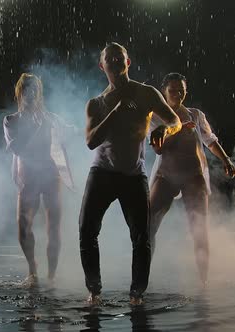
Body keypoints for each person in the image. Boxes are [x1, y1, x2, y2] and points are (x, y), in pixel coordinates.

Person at [79, 43, 182, 305]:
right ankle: (94, 291)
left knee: (141, 236)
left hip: (134, 175)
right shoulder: (96, 104)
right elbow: (91, 141)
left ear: (128, 62)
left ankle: (137, 295)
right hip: (102, 172)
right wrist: (115, 112)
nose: (115, 63)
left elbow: (175, 121)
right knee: (86, 230)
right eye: (109, 60)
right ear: (102, 67)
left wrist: (163, 131)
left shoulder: (146, 93)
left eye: (119, 59)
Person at [149, 72, 235, 286]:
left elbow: (210, 141)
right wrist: (176, 130)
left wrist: (226, 160)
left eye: (181, 90)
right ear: (164, 92)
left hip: (193, 175)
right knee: (148, 225)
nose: (177, 94)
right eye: (172, 90)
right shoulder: (156, 117)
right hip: (166, 175)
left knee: (200, 230)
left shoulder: (195, 115)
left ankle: (203, 283)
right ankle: (143, 280)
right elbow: (158, 149)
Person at [3, 73, 74, 287]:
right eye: (26, 90)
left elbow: (68, 137)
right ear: (19, 94)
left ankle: (52, 276)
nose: (31, 94)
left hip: (51, 176)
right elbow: (17, 148)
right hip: (27, 178)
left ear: (39, 93)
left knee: (54, 226)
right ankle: (33, 272)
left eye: (35, 90)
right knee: (23, 225)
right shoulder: (12, 120)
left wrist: (71, 131)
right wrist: (38, 128)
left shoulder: (51, 118)